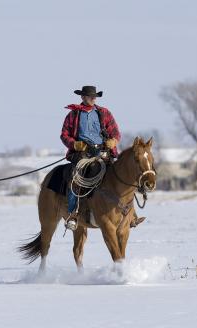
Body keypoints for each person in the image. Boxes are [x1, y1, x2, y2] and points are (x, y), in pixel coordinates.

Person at [60, 85, 144, 230]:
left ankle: (131, 214)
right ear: (82, 97)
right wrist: (75, 144)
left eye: (95, 96)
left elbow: (116, 133)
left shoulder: (104, 113)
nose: (93, 99)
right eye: (90, 96)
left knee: (122, 178)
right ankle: (73, 215)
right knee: (76, 179)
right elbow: (64, 135)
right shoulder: (73, 115)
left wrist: (113, 141)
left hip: (104, 153)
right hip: (83, 154)